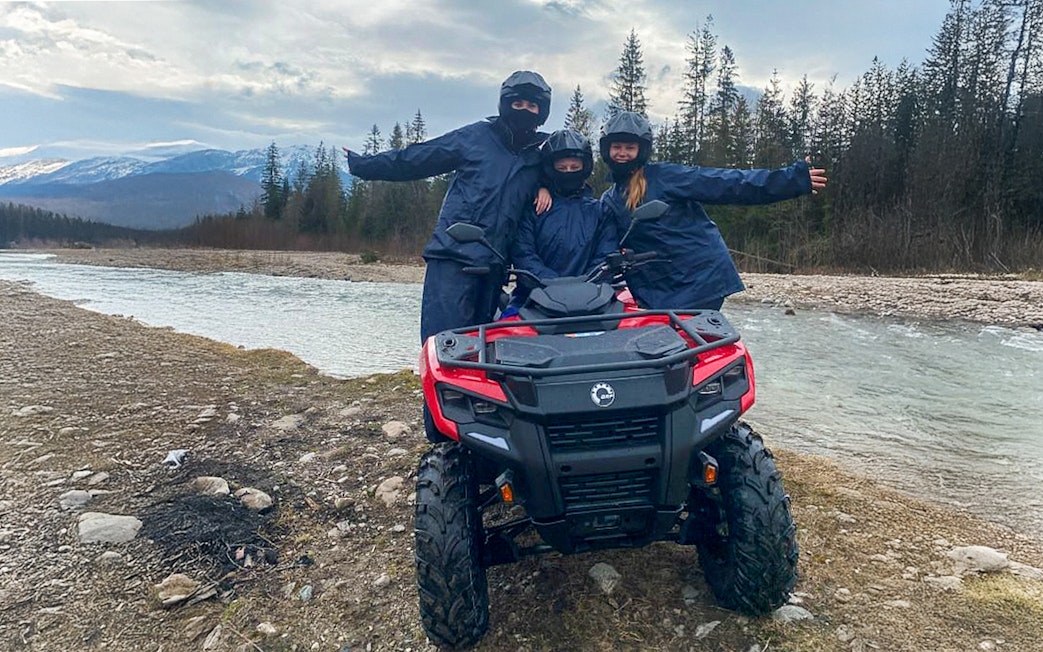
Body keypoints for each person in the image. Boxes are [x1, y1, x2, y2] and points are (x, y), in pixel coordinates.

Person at [344, 71, 551, 442]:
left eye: (532, 105)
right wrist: (365, 166)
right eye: (518, 103)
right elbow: (418, 158)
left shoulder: (540, 155)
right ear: (505, 104)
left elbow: (573, 170)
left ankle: (485, 437)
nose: (524, 110)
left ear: (542, 110)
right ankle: (441, 441)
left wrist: (547, 182)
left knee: (489, 357)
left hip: (496, 265)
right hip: (452, 258)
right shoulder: (477, 136)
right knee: (443, 348)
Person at [598, 111, 828, 311]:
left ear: (642, 150)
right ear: (607, 150)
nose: (622, 153)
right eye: (616, 147)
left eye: (629, 147)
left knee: (684, 352)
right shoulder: (609, 200)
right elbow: (601, 247)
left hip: (698, 279)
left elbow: (729, 184)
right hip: (657, 285)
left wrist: (790, 180)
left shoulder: (666, 177)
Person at [509, 128, 618, 306]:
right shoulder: (533, 209)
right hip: (532, 301)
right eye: (561, 168)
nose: (568, 172)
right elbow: (523, 254)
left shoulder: (600, 211)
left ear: (585, 167)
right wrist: (553, 285)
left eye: (574, 167)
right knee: (501, 330)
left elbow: (606, 256)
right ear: (550, 169)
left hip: (593, 301)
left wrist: (584, 286)